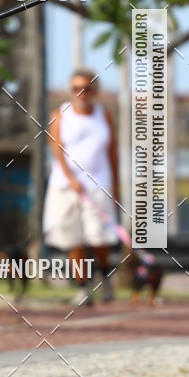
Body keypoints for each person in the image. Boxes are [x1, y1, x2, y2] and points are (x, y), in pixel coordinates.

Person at [43, 69, 119, 305]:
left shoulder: (103, 116)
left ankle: (104, 276)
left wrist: (116, 186)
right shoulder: (60, 115)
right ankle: (82, 288)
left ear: (95, 91)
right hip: (67, 187)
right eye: (76, 88)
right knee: (73, 238)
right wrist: (71, 178)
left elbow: (112, 152)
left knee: (99, 238)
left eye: (86, 88)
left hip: (98, 185)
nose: (81, 93)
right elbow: (56, 150)